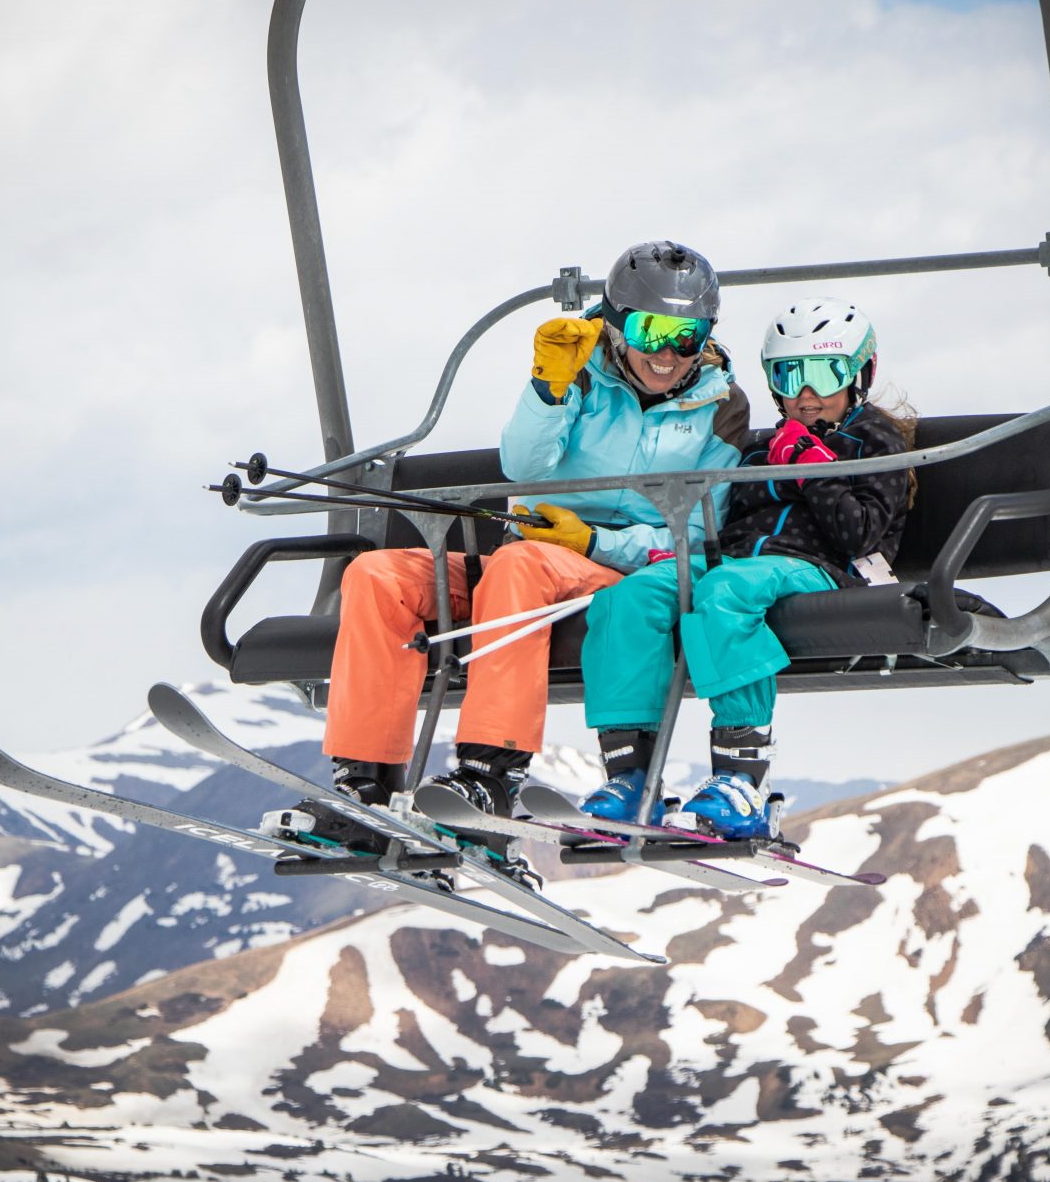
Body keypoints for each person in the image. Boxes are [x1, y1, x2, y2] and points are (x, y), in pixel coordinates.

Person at [299, 241, 749, 864]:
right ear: (616, 323)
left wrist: (594, 541)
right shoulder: (579, 372)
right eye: (651, 330)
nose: (668, 354)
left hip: (629, 572)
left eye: (688, 334)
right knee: (378, 574)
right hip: (535, 559)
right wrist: (547, 388)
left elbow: (701, 536)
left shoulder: (722, 408)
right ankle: (364, 784)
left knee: (521, 565)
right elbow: (523, 465)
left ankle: (489, 775)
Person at [575, 296, 914, 839]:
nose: (804, 395)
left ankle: (740, 779)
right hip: (736, 562)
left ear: (858, 374)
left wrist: (811, 464)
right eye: (788, 375)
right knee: (629, 597)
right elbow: (726, 520)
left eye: (823, 374)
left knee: (726, 591)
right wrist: (680, 555)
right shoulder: (760, 449)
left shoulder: (873, 440)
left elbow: (860, 532)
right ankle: (630, 777)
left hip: (819, 568)